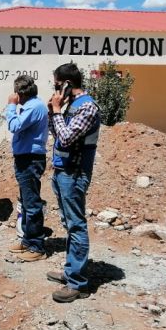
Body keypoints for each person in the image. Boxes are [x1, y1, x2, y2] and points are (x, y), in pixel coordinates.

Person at [46, 63, 101, 303]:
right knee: (69, 223)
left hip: (75, 174)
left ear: (67, 83)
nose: (55, 89)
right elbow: (56, 133)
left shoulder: (87, 107)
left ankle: (78, 283)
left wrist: (58, 112)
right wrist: (53, 112)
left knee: (76, 225)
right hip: (62, 171)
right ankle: (70, 272)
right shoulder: (70, 106)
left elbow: (67, 138)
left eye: (56, 83)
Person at [5, 74, 49, 261]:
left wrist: (11, 106)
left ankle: (37, 247)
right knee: (26, 201)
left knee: (32, 204)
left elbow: (14, 126)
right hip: (25, 158)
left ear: (20, 93)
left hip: (30, 159)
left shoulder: (33, 107)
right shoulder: (31, 106)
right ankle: (28, 240)